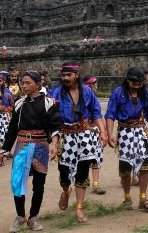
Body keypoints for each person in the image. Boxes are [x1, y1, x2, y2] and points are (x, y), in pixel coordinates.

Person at [0, 70, 61, 232]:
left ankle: (33, 217)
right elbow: (12, 130)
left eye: (28, 83)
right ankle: (20, 216)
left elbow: (54, 126)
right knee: (18, 181)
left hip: (41, 146)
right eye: (22, 83)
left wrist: (54, 143)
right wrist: (4, 150)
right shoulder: (19, 104)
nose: (24, 86)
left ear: (38, 84)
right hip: (22, 145)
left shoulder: (49, 103)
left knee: (39, 184)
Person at [50, 61, 108, 223]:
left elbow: (96, 113)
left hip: (84, 136)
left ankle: (79, 208)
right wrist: (53, 143)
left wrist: (103, 132)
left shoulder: (88, 92)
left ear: (76, 75)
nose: (65, 78)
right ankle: (66, 190)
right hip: (65, 136)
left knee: (83, 171)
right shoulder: (55, 93)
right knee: (64, 172)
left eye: (69, 75)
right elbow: (51, 120)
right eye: (63, 75)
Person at [106, 67, 148, 213]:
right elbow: (110, 114)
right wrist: (110, 133)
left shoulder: (146, 94)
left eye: (139, 82)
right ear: (128, 80)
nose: (137, 85)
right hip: (124, 133)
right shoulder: (118, 93)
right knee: (125, 168)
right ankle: (127, 198)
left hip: (141, 133)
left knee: (144, 166)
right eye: (134, 82)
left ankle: (143, 199)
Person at [82, 75, 106, 195]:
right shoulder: (81, 96)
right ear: (91, 85)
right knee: (84, 157)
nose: (97, 87)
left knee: (96, 155)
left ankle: (95, 184)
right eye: (95, 85)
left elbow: (98, 115)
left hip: (94, 130)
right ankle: (82, 181)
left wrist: (103, 131)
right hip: (83, 131)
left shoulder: (93, 97)